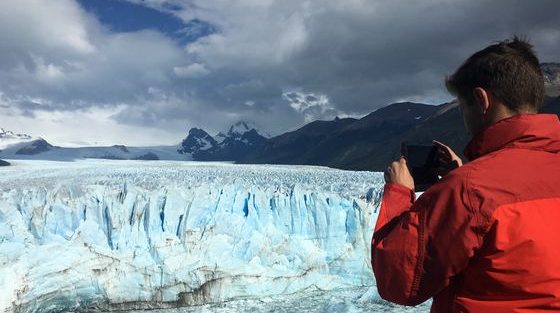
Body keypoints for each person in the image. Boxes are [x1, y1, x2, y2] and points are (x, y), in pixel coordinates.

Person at [371, 37, 560, 312]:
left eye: (462, 108)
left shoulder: (468, 190)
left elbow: (399, 281)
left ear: (481, 100)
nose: (465, 119)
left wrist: (399, 193)